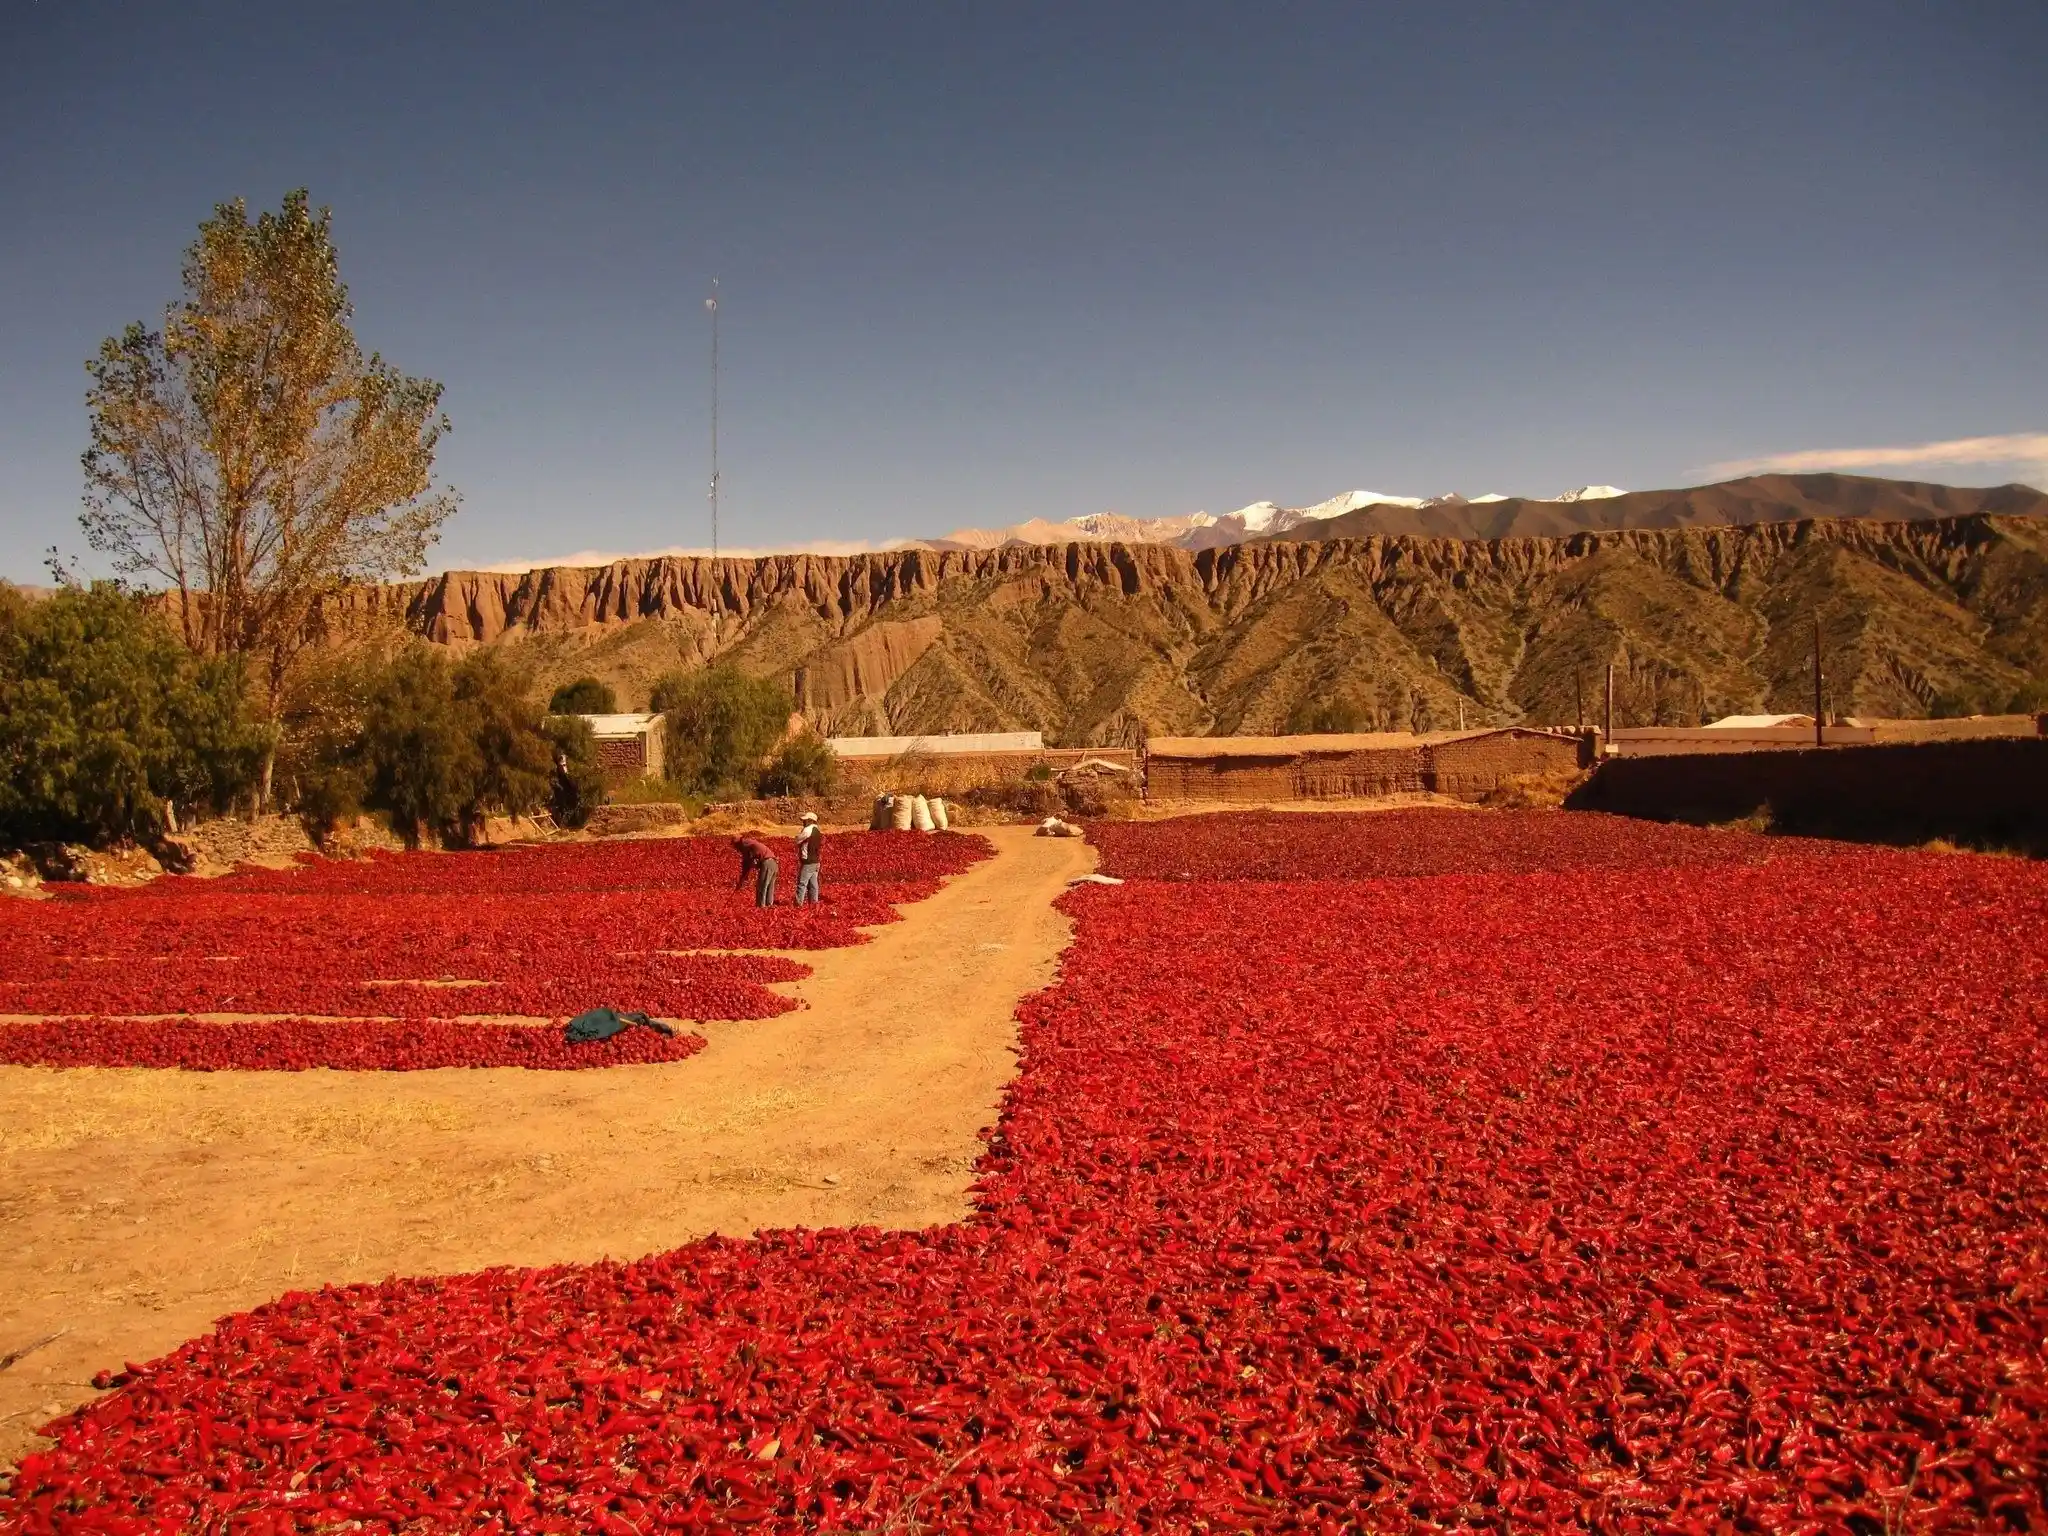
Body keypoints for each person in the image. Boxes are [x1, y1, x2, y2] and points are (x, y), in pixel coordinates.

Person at [733, 832, 778, 907]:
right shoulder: (748, 843)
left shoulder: (744, 844)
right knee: (769, 886)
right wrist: (743, 879)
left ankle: (761, 906)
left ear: (738, 843)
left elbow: (746, 863)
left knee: (762, 885)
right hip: (773, 862)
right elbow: (748, 862)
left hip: (767, 862)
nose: (736, 848)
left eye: (735, 845)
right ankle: (769, 905)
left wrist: (742, 880)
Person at [794, 812, 823, 905]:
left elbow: (798, 840)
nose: (803, 822)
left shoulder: (807, 830)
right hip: (816, 861)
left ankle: (798, 904)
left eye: (805, 820)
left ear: (811, 821)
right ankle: (814, 903)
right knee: (813, 884)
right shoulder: (817, 830)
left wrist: (797, 838)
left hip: (808, 861)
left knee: (802, 883)